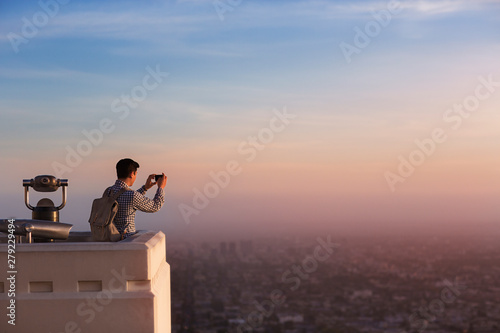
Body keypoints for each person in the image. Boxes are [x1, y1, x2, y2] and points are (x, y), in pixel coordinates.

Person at [109, 158, 167, 239]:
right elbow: (155, 206)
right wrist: (161, 188)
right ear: (131, 174)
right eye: (136, 174)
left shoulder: (108, 191)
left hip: (109, 238)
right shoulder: (131, 195)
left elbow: (128, 198)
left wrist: (145, 188)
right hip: (125, 241)